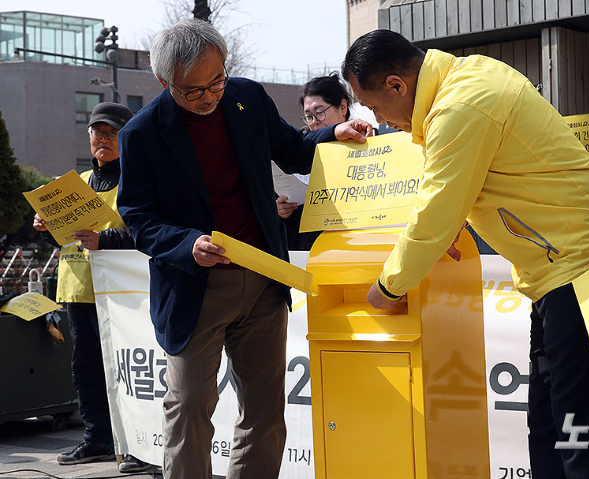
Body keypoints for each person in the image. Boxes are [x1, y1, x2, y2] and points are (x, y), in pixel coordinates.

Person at [343, 30, 589, 479]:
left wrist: (388, 287)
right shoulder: (467, 77)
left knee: (580, 433)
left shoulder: (459, 105)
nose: (380, 120)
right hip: (560, 269)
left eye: (375, 107)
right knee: (549, 428)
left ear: (397, 85)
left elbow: (435, 212)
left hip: (584, 268)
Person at [116, 19, 370, 479]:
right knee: (189, 406)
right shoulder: (141, 133)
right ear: (164, 82)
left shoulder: (247, 97)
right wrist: (187, 243)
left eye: (217, 81)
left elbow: (292, 149)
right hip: (194, 287)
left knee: (265, 409)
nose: (209, 96)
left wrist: (333, 135)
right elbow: (138, 217)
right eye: (194, 90)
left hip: (264, 277)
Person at [33, 102, 151, 473]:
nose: (103, 139)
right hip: (79, 290)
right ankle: (98, 438)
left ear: (127, 137)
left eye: (112, 133)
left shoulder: (138, 179)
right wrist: (47, 227)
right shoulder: (76, 184)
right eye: (98, 132)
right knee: (86, 369)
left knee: (128, 371)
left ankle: (140, 444)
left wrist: (106, 239)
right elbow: (66, 238)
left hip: (123, 294)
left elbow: (146, 232)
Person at [276, 72, 378, 250]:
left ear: (343, 107)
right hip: (306, 249)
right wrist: (280, 211)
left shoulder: (368, 148)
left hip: (353, 245)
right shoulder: (298, 152)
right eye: (309, 116)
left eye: (320, 112)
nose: (314, 122)